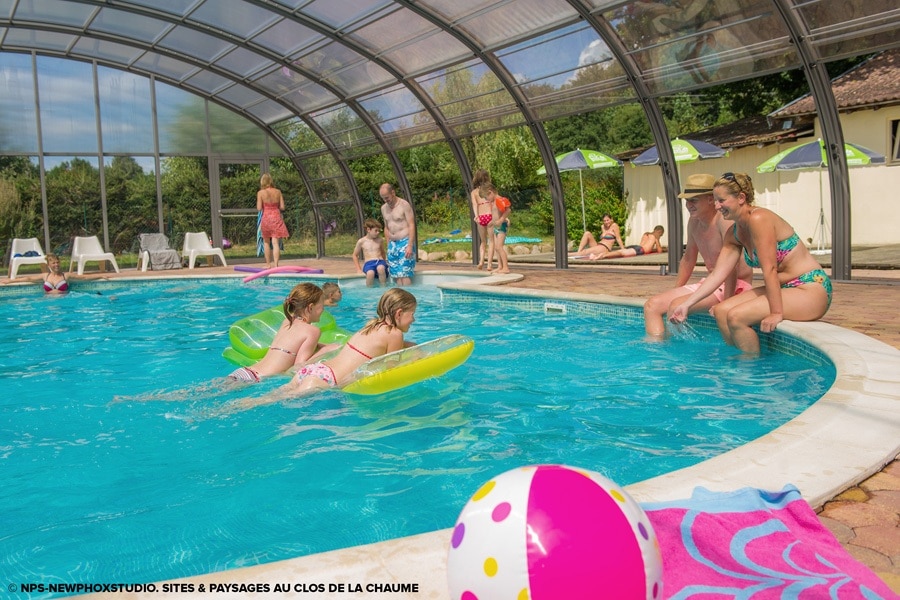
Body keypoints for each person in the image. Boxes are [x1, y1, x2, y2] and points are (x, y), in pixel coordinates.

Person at [669, 172, 832, 354]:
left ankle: (752, 372)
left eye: (721, 200)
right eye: (715, 200)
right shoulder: (735, 233)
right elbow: (717, 274)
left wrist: (776, 313)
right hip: (786, 288)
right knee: (722, 311)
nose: (717, 206)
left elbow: (769, 269)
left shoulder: (759, 219)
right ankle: (741, 357)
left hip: (811, 288)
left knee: (737, 317)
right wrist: (687, 304)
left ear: (741, 198)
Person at [643, 174, 754, 338]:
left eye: (693, 200)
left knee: (676, 306)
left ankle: (680, 356)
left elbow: (732, 267)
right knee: (651, 306)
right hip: (712, 282)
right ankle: (659, 355)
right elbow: (688, 260)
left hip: (736, 285)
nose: (688, 205)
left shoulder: (723, 221)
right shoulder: (694, 222)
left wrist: (727, 302)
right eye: (687, 201)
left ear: (711, 199)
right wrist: (677, 290)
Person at [227, 282, 326, 383]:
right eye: (322, 306)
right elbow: (298, 367)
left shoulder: (288, 322)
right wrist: (325, 350)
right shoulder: (313, 331)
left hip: (243, 372)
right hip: (255, 379)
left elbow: (293, 345)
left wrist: (317, 345)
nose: (323, 309)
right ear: (311, 307)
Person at [380, 183, 416, 286]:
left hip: (405, 242)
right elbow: (386, 227)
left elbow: (411, 225)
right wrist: (388, 245)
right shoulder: (383, 208)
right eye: (383, 198)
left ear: (393, 192)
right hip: (393, 244)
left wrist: (410, 245)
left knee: (404, 274)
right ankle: (400, 300)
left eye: (387, 197)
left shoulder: (404, 205)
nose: (386, 200)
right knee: (396, 275)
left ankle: (408, 299)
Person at [257, 173, 289, 269]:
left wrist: (265, 205)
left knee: (266, 242)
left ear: (262, 182)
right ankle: (276, 265)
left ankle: (268, 264)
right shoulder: (278, 192)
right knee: (275, 243)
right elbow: (282, 207)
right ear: (271, 181)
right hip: (276, 217)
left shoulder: (260, 193)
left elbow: (259, 208)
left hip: (266, 218)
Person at [479, 183, 510, 274]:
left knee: (499, 247)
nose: (486, 200)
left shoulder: (500, 200)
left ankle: (506, 267)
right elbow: (496, 214)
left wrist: (502, 219)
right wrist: (491, 222)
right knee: (496, 248)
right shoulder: (494, 201)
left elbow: (508, 210)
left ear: (490, 192)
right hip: (496, 227)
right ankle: (500, 266)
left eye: (486, 197)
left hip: (501, 227)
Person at [470, 169, 495, 270]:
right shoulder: (490, 189)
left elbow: (475, 205)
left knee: (483, 241)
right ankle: (489, 264)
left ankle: (481, 262)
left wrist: (476, 216)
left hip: (481, 217)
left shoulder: (474, 192)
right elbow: (493, 202)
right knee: (492, 241)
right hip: (490, 215)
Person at [352, 218, 388, 286]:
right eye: (376, 231)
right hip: (369, 263)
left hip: (379, 261)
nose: (378, 233)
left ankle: (383, 286)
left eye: (379, 231)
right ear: (368, 230)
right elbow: (354, 255)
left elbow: (383, 252)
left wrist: (384, 262)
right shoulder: (361, 241)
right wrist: (358, 269)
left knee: (380, 268)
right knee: (370, 273)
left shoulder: (379, 240)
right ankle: (369, 290)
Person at [598, 225, 664, 260]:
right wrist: (657, 240)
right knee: (622, 253)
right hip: (640, 250)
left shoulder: (646, 234)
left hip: (637, 247)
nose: (661, 236)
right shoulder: (655, 236)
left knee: (622, 251)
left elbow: (647, 246)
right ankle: (604, 255)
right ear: (659, 231)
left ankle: (605, 254)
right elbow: (660, 251)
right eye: (661, 234)